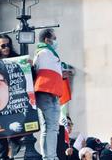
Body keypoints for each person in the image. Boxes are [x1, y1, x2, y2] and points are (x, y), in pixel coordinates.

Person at [33, 28, 63, 160]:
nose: (56, 41)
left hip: (51, 93)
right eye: (54, 38)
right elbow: (35, 68)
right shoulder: (44, 53)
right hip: (47, 94)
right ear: (47, 40)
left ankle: (48, 156)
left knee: (49, 127)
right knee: (51, 127)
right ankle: (50, 156)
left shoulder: (47, 53)